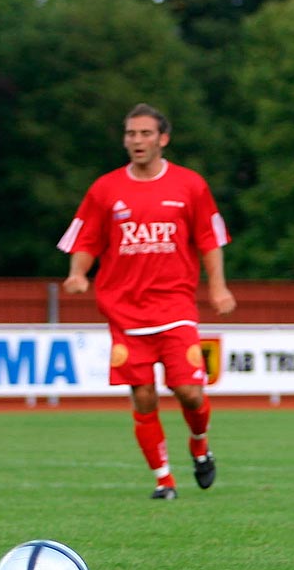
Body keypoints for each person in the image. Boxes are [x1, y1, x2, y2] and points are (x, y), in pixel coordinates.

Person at [57, 103, 234, 500]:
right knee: (143, 395)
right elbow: (85, 238)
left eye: (145, 134)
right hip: (124, 311)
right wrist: (77, 273)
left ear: (163, 139)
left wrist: (218, 287)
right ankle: (163, 479)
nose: (136, 140)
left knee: (189, 391)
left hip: (175, 308)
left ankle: (200, 443)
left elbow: (210, 239)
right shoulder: (105, 189)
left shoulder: (190, 185)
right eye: (131, 134)